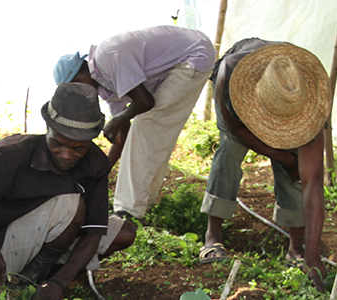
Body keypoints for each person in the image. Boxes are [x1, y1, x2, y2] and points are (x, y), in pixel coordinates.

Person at [0, 83, 136, 300]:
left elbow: (93, 232)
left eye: (78, 148)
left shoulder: (96, 164)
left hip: (51, 239)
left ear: (90, 140)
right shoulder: (10, 155)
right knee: (69, 203)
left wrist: (59, 282)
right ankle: (20, 285)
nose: (66, 155)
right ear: (47, 129)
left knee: (123, 233)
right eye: (57, 144)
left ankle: (50, 278)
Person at [199, 38, 332, 292]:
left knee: (297, 171)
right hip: (240, 91)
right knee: (229, 151)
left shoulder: (311, 99)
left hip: (282, 90)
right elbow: (236, 130)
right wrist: (281, 157)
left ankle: (297, 249)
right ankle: (212, 236)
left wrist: (314, 255)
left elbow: (313, 184)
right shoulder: (231, 75)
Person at [53, 25, 216, 221]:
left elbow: (145, 102)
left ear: (79, 79)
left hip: (193, 55)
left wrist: (118, 119)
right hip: (185, 57)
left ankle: (127, 212)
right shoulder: (104, 86)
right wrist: (103, 171)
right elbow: (124, 132)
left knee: (148, 126)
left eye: (76, 89)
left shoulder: (107, 58)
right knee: (153, 132)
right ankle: (144, 202)